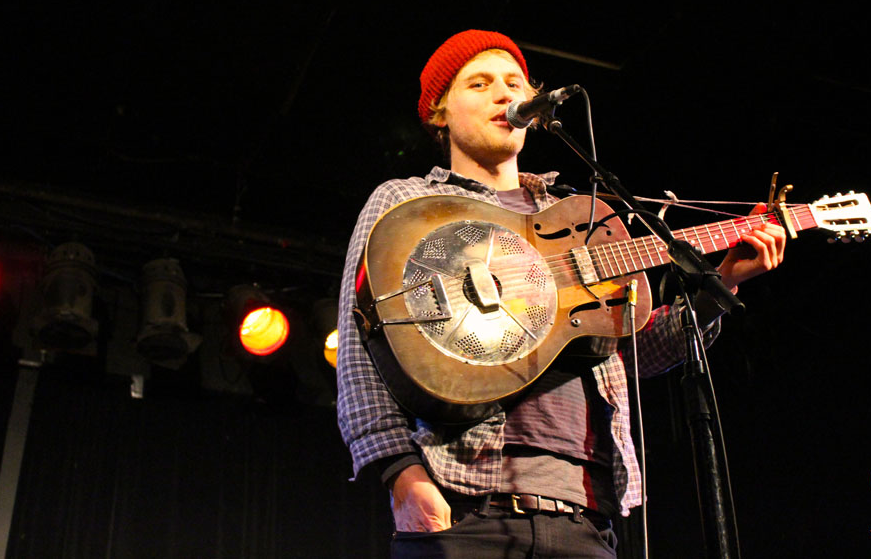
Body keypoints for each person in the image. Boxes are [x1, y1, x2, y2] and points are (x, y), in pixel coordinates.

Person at [336, 30, 786, 558]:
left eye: (514, 83)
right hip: (462, 508)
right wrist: (403, 477)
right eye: (480, 83)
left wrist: (723, 283)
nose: (505, 95)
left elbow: (639, 352)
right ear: (439, 112)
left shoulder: (579, 217)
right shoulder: (409, 201)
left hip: (584, 514)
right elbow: (358, 349)